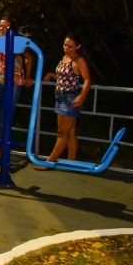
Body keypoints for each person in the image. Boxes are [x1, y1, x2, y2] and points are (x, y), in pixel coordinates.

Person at [35, 33, 91, 170]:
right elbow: (64, 77)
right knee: (70, 132)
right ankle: (71, 161)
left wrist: (82, 96)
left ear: (77, 46)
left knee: (62, 133)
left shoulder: (79, 60)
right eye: (65, 45)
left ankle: (49, 162)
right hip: (59, 96)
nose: (66, 48)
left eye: (70, 46)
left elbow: (88, 80)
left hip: (69, 98)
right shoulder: (65, 58)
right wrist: (51, 75)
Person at [0, 18, 33, 159]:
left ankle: (3, 148)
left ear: (11, 29)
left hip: (13, 83)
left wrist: (28, 77)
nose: (1, 28)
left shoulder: (16, 42)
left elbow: (29, 57)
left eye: (5, 26)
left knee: (5, 117)